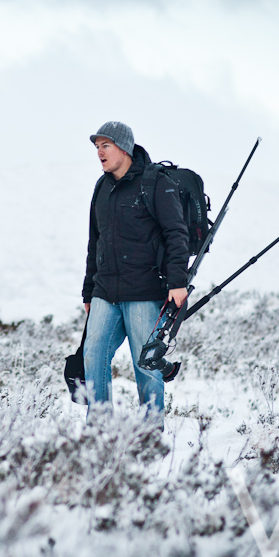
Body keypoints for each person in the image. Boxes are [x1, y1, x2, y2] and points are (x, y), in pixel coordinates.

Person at [82, 121, 189, 423]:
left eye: (106, 145)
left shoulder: (155, 182)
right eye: (97, 147)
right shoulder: (102, 187)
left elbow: (176, 233)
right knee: (93, 356)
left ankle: (151, 434)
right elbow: (96, 241)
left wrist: (178, 281)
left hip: (144, 291)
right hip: (105, 291)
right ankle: (99, 429)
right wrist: (89, 289)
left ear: (124, 147)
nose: (100, 153)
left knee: (147, 366)